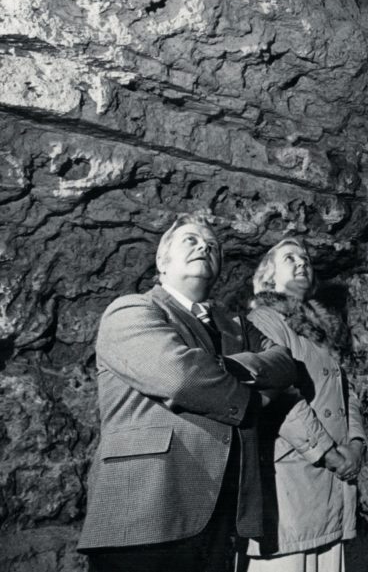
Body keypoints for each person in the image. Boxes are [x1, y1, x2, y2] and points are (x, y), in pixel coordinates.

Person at [78, 212, 296, 572]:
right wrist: (254, 400)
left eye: (212, 246)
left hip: (222, 508)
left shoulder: (236, 325)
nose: (203, 247)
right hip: (146, 506)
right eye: (191, 240)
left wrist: (227, 366)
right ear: (162, 260)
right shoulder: (132, 309)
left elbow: (284, 362)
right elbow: (180, 376)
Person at [245, 237, 367, 571]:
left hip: (335, 475)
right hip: (295, 474)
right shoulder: (264, 321)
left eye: (306, 259)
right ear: (269, 277)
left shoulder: (324, 329)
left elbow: (346, 392)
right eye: (289, 258)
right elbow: (279, 395)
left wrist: (356, 444)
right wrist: (328, 453)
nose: (301, 262)